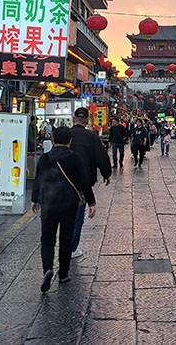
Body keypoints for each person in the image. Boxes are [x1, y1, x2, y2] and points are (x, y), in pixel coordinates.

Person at [32, 127, 96, 292]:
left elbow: (38, 179)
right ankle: (63, 273)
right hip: (69, 203)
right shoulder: (74, 158)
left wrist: (35, 199)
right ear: (70, 141)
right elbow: (83, 181)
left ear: (53, 140)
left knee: (47, 238)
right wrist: (91, 202)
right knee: (66, 238)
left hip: (48, 203)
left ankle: (47, 269)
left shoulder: (45, 158)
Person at [70, 107, 112, 258]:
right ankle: (72, 248)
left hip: (62, 180)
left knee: (64, 214)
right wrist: (106, 173)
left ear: (73, 119)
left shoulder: (65, 134)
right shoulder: (91, 137)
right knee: (77, 216)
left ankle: (64, 244)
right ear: (87, 121)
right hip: (83, 182)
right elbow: (101, 157)